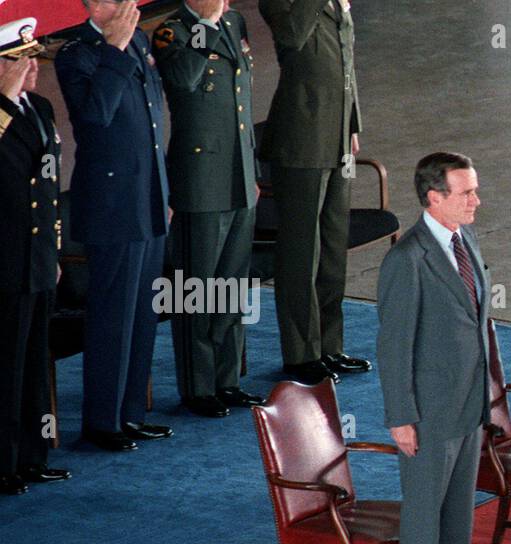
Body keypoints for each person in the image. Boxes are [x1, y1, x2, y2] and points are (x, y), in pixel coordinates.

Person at [376, 153, 495, 544]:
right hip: (427, 416)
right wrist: (400, 417)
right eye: (465, 193)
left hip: (467, 409)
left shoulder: (463, 240)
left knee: (457, 522)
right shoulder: (408, 259)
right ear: (434, 198)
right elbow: (393, 346)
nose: (476, 201)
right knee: (424, 523)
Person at [56, 0, 173, 452]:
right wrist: (115, 49)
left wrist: (163, 193)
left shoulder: (137, 40)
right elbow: (95, 116)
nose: (127, 6)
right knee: (112, 316)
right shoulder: (77, 53)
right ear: (94, 5)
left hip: (146, 199)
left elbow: (152, 120)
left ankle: (130, 414)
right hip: (111, 205)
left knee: (142, 314)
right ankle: (102, 421)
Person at [153, 0, 264, 418]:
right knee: (197, 287)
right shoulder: (172, 32)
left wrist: (249, 166)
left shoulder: (235, 22)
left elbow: (242, 100)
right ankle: (198, 387)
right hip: (199, 177)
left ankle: (228, 379)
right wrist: (206, 27)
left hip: (237, 173)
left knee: (232, 285)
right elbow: (183, 80)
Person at [258, 0, 369, 385]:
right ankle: (301, 353)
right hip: (301, 136)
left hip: (337, 135)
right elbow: (291, 39)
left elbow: (345, 62)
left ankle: (329, 345)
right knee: (302, 250)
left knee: (334, 245)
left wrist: (352, 122)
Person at [0, 20, 70, 494]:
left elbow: (48, 189)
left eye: (33, 59)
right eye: (19, 60)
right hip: (4, 260)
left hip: (38, 256)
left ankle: (32, 454)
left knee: (33, 362)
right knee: (5, 366)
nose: (32, 69)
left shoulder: (40, 109)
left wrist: (55, 248)